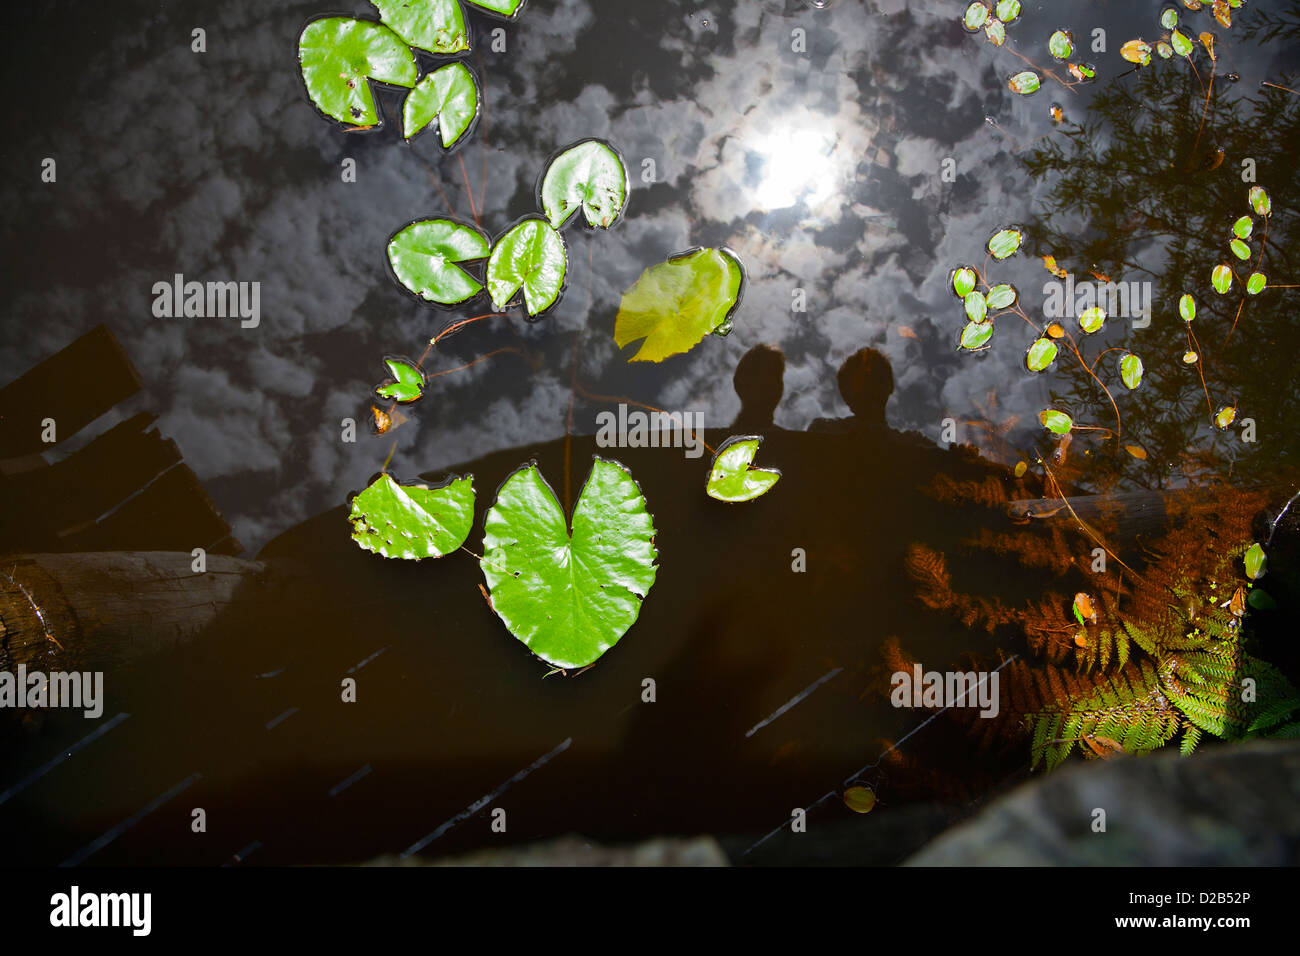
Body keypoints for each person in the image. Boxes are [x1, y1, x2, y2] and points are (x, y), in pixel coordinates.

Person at [730, 344, 786, 431]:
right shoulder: (788, 441)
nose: (775, 389)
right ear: (741, 385)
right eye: (765, 380)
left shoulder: (789, 441)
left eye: (776, 378)